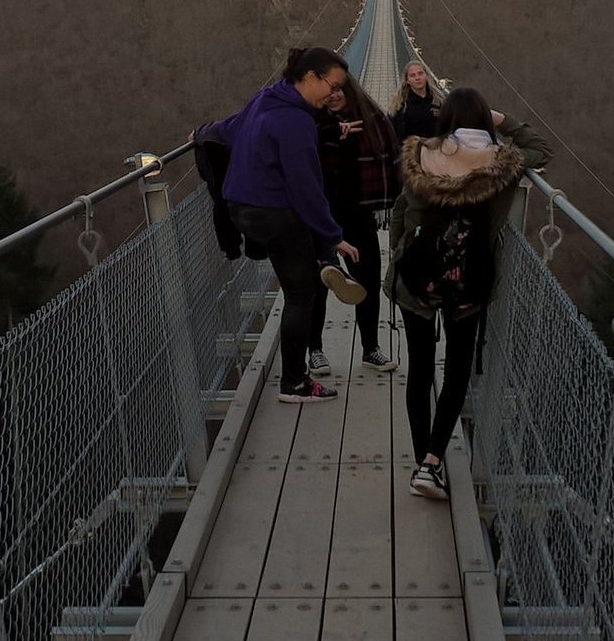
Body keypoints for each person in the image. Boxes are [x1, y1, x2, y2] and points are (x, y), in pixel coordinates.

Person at [384, 87, 553, 498]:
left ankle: (421, 459)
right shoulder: (502, 164)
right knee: (456, 370)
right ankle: (432, 463)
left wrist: (399, 256)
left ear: (445, 120)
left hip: (417, 278)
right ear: (483, 119)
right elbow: (541, 148)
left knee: (420, 369)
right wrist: (502, 120)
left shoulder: (420, 154)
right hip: (469, 280)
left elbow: (401, 215)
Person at [220, 47, 366, 404]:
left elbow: (230, 128)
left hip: (239, 208)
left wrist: (201, 132)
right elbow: (306, 188)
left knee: (302, 255)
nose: (335, 94)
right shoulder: (297, 122)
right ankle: (295, 383)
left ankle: (320, 259)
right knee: (302, 296)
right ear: (312, 77)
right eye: (332, 86)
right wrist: (335, 235)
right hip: (274, 214)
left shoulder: (265, 98)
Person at [308, 74, 402, 376]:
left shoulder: (373, 120)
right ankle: (315, 351)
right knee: (319, 280)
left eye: (339, 89)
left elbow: (396, 161)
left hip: (358, 212)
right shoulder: (311, 121)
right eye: (329, 90)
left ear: (350, 90)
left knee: (368, 279)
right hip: (320, 211)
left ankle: (370, 348)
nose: (334, 95)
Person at [389, 60, 439, 142]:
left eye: (420, 73)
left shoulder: (439, 101)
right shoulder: (400, 105)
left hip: (436, 149)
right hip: (412, 151)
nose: (417, 78)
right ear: (407, 81)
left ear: (426, 76)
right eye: (412, 75)